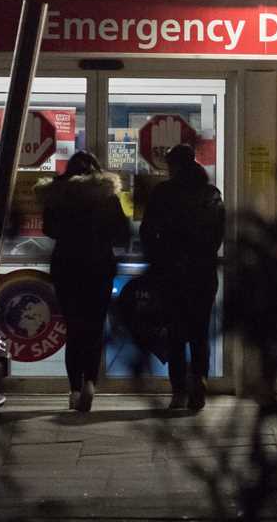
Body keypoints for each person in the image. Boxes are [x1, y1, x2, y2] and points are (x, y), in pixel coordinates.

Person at [36, 150, 129, 412]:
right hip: (99, 267)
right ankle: (90, 381)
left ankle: (74, 389)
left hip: (67, 267)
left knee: (74, 328)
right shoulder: (107, 197)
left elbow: (49, 230)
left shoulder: (58, 196)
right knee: (95, 327)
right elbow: (121, 233)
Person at [140, 143, 225, 410]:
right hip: (202, 273)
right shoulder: (211, 194)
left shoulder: (163, 193)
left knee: (176, 334)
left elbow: (147, 231)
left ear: (173, 165)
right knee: (199, 333)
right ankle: (198, 380)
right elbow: (218, 233)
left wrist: (157, 259)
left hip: (171, 273)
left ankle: (178, 390)